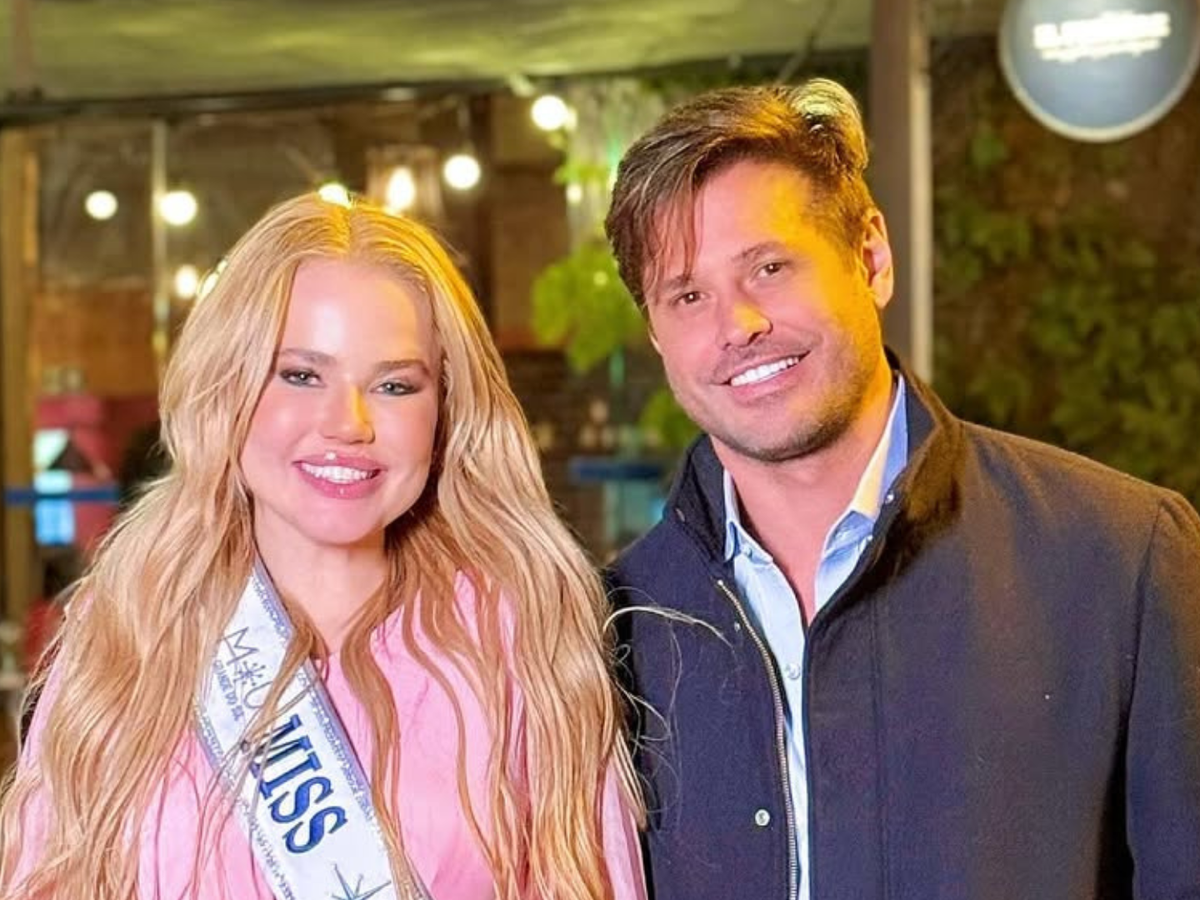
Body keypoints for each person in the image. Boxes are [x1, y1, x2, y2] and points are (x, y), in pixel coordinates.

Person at [603, 79, 1200, 900]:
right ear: (655, 333)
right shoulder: (614, 624)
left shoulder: (1120, 557)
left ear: (871, 258)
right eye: (688, 295)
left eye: (769, 267)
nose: (737, 325)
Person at [0, 193, 646, 900]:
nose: (349, 423)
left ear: (445, 412)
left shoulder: (517, 640)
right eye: (301, 375)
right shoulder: (129, 633)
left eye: (395, 385)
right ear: (229, 384)